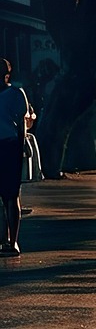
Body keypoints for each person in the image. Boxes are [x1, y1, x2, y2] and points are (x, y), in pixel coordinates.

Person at [0, 57, 33, 256]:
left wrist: (21, 148)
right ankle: (3, 239)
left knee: (11, 196)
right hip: (8, 145)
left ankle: (13, 241)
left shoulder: (15, 94)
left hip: (9, 146)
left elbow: (21, 125)